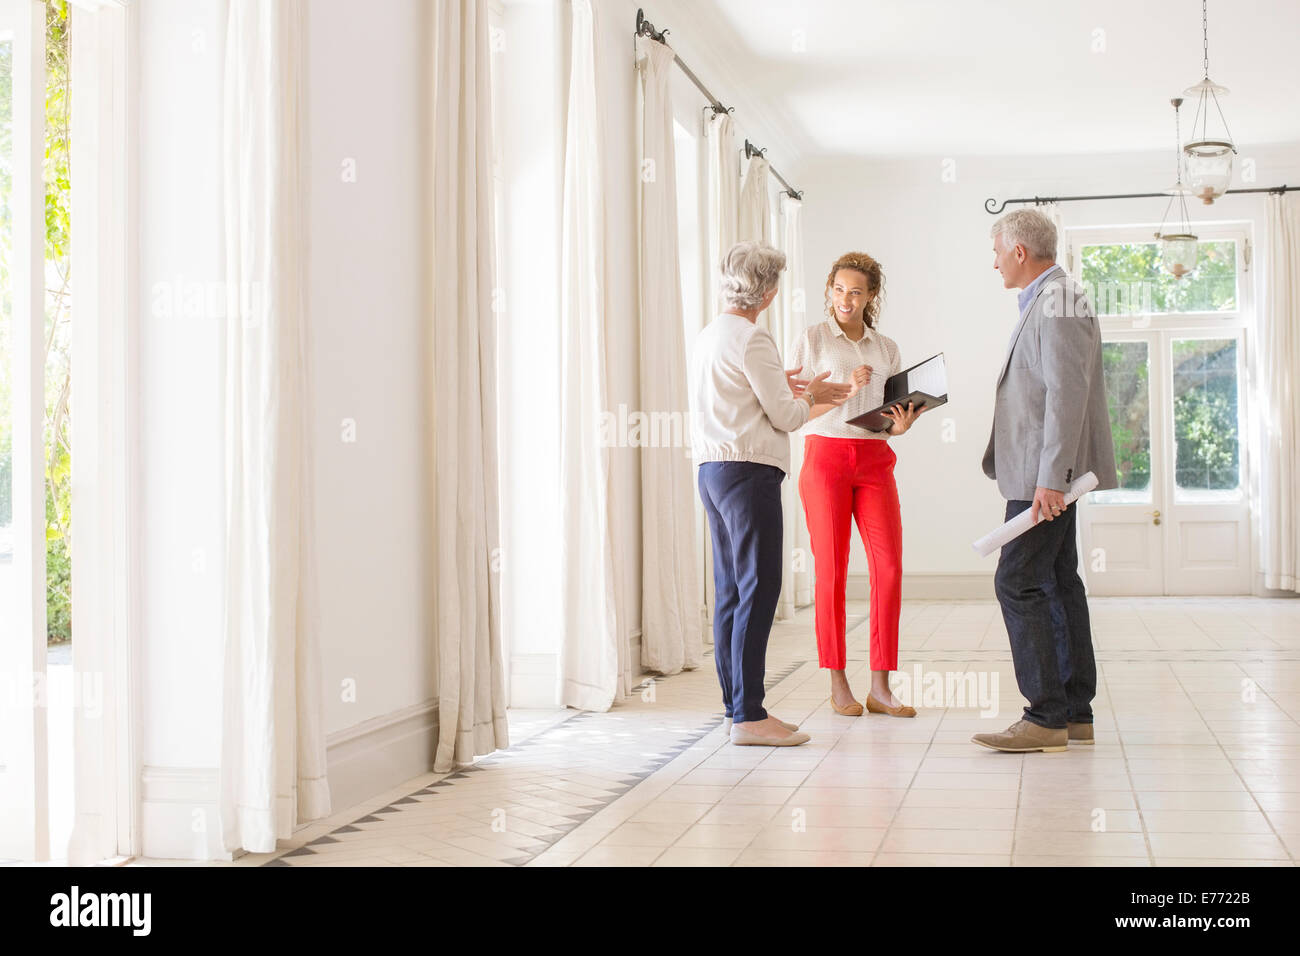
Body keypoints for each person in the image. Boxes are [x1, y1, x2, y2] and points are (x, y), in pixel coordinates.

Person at [689, 240, 850, 747]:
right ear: (770, 290)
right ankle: (751, 717)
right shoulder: (754, 339)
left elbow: (737, 393)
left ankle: (736, 707)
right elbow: (785, 417)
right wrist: (812, 398)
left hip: (713, 471)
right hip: (749, 474)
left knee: (731, 592)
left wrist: (786, 386)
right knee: (759, 588)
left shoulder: (711, 334)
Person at [972, 208, 1117, 754]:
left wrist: (1053, 477)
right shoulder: (1049, 298)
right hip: (1041, 474)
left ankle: (1045, 715)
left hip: (1044, 477)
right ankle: (1073, 711)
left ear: (1018, 252)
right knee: (1057, 579)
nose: (993, 263)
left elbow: (1067, 393)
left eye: (995, 251)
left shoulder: (1056, 300)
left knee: (1018, 580)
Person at [790, 252, 926, 719]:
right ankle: (838, 682)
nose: (845, 299)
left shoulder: (885, 348)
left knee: (888, 570)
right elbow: (794, 409)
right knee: (831, 573)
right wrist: (844, 391)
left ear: (871, 297)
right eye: (839, 289)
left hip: (874, 460)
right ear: (829, 289)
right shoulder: (810, 339)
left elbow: (887, 415)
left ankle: (881, 687)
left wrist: (899, 427)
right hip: (825, 456)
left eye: (856, 292)